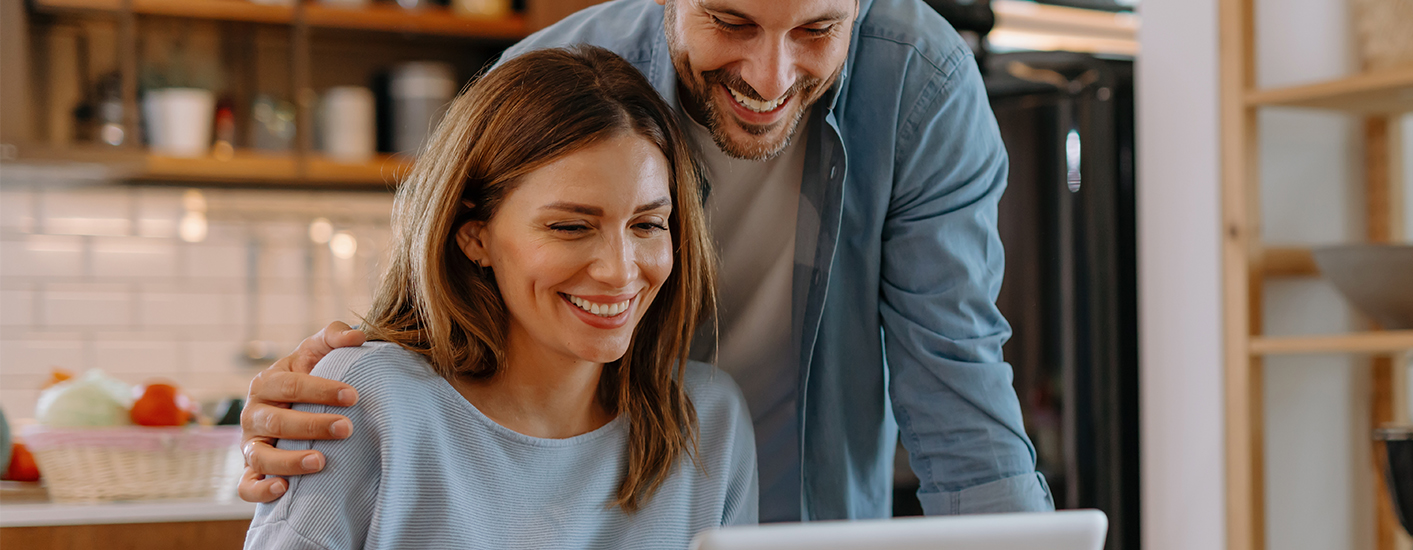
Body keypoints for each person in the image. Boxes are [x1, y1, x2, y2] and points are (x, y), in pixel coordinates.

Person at [237, 0, 1051, 521]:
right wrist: (335, 398)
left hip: (753, 498)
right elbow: (434, 299)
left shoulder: (921, 83)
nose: (770, 78)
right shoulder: (546, 84)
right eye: (731, 20)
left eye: (817, 29)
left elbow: (957, 386)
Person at [243, 45, 756, 549]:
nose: (620, 270)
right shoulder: (365, 399)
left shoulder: (710, 420)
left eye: (647, 224)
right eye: (571, 226)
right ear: (475, 235)